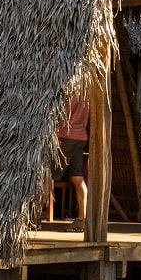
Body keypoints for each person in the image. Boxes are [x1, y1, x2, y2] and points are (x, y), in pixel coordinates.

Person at [55, 93, 90, 228]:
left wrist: (56, 133)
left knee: (48, 177)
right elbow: (85, 120)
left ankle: (36, 217)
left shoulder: (68, 92)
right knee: (77, 178)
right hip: (80, 137)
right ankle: (82, 219)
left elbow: (60, 116)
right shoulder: (86, 94)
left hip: (64, 135)